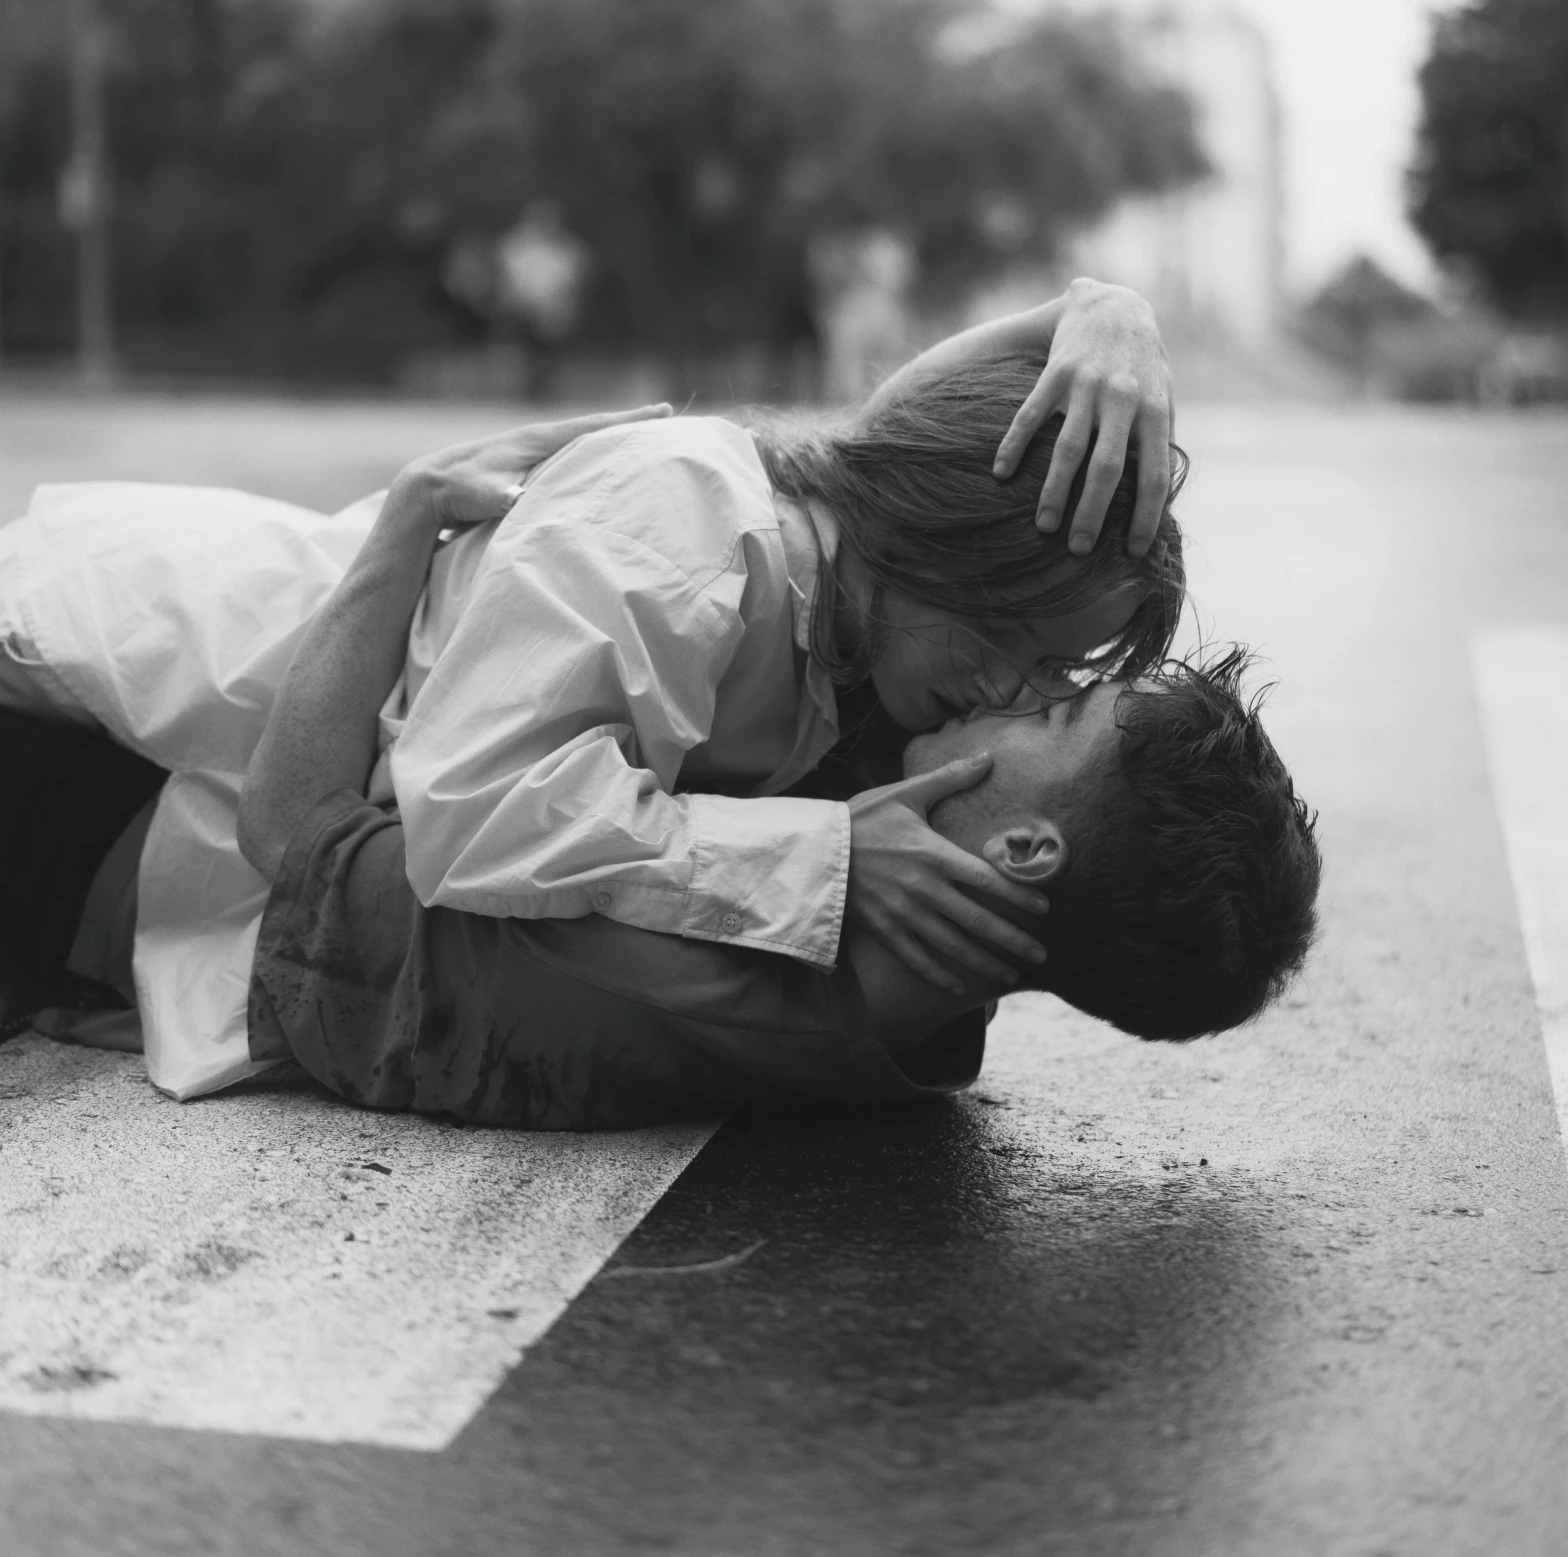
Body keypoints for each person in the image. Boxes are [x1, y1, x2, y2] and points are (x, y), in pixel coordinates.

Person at [0, 282, 1181, 1100]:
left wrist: (1098, 314)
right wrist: (812, 859)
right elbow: (470, 810)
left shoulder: (846, 600)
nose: (1013, 692)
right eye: (1023, 639)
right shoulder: (694, 530)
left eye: (1053, 677)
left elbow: (899, 436)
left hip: (199, 770)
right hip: (100, 676)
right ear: (946, 541)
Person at [228, 455, 1319, 1128]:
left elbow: (292, 827)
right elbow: (894, 529)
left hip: (105, 838)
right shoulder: (917, 1002)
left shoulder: (674, 963)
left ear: (1024, 851)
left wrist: (410, 514)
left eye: (1048, 712)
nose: (1012, 690)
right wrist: (1096, 318)